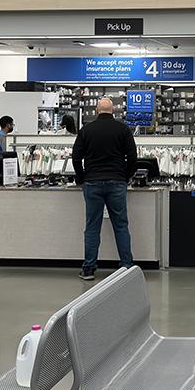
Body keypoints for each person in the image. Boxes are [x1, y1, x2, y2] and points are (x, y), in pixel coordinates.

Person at [71, 97, 137, 281]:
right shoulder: (123, 129)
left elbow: (76, 157)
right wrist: (126, 176)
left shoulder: (86, 130)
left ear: (96, 109)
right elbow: (132, 157)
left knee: (92, 226)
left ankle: (89, 269)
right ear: (113, 110)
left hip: (92, 182)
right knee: (121, 225)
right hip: (117, 182)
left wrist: (82, 177)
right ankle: (126, 266)